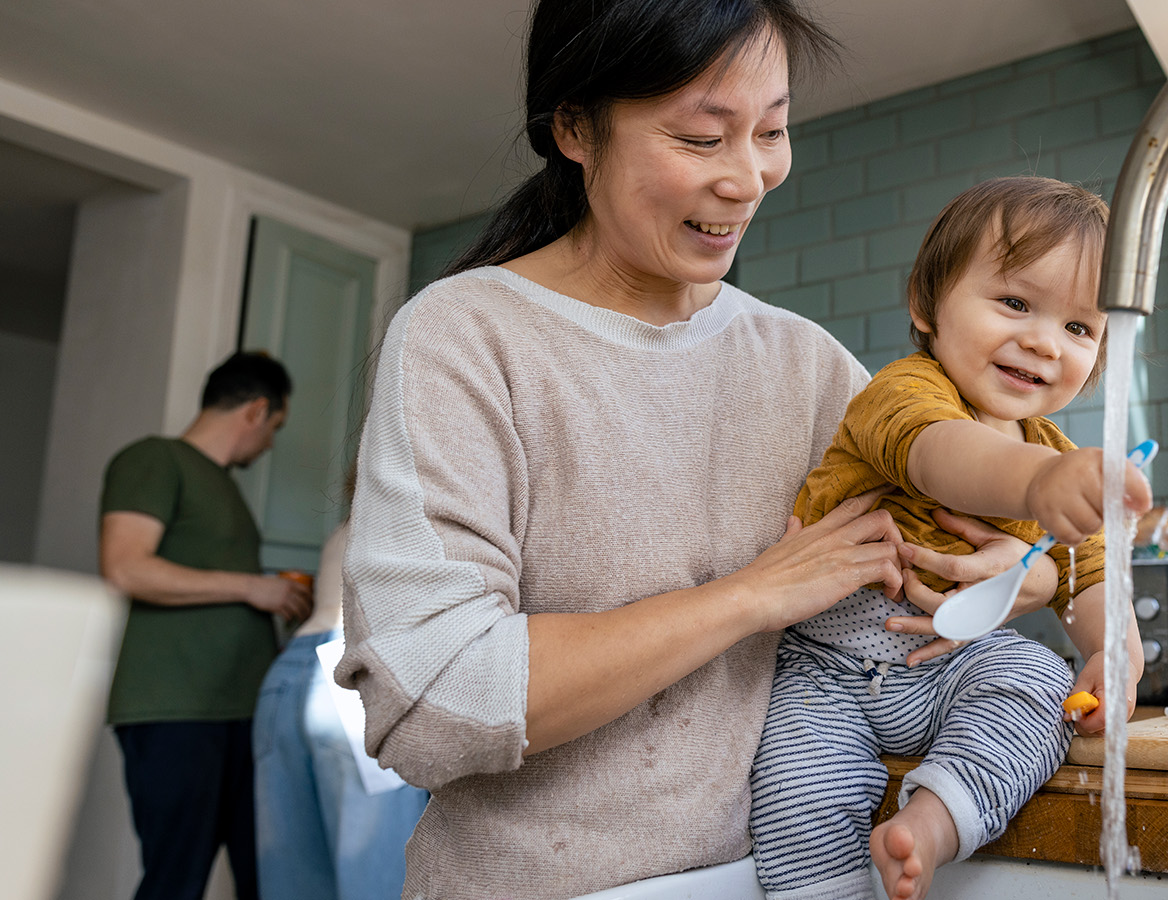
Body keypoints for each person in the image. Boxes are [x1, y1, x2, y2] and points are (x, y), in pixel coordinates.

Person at [331, 2, 1066, 898]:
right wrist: (748, 597)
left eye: (773, 132)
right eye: (700, 138)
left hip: (762, 877)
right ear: (574, 127)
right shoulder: (467, 336)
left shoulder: (805, 363)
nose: (750, 179)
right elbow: (428, 704)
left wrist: (1019, 577)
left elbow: (891, 617)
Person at [750, 177, 1153, 900]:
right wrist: (1039, 484)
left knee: (1038, 689)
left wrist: (1112, 651)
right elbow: (940, 456)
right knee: (796, 787)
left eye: (1079, 328)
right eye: (1016, 303)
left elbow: (1089, 571)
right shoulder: (903, 394)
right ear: (927, 304)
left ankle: (933, 825)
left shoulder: (1052, 448)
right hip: (827, 670)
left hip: (954, 669)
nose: (1042, 341)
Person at [98, 350, 310, 900]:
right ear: (256, 410)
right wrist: (250, 587)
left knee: (265, 878)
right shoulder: (154, 459)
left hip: (240, 713)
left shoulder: (225, 489)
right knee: (177, 882)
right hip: (177, 710)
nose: (269, 445)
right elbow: (126, 567)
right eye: (276, 428)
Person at [252, 502, 430, 900]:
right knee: (377, 880)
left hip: (288, 673)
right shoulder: (423, 502)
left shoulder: (358, 512)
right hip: (355, 678)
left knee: (293, 877)